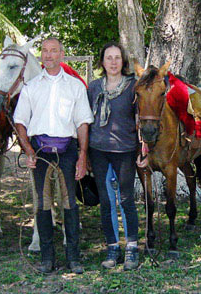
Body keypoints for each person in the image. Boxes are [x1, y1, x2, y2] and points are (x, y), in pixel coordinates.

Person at [13, 37, 93, 274]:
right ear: (41, 56)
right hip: (40, 153)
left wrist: (82, 156)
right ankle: (47, 258)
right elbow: (20, 121)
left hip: (67, 150)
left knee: (70, 205)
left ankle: (74, 258)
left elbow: (82, 123)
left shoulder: (75, 86)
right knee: (43, 206)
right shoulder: (31, 87)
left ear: (61, 54)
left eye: (54, 51)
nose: (49, 55)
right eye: (45, 51)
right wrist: (28, 149)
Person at [86, 41, 140, 270]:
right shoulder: (94, 87)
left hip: (125, 150)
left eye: (117, 57)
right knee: (107, 201)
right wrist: (84, 152)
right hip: (99, 151)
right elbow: (86, 119)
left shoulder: (133, 87)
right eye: (109, 58)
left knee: (127, 199)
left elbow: (141, 119)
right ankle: (112, 247)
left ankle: (132, 248)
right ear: (102, 62)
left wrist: (143, 149)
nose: (113, 62)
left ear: (123, 61)